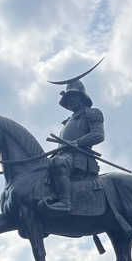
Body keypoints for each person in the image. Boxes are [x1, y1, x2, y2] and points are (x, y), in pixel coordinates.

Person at [43, 78, 105, 213]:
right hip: (64, 155)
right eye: (68, 100)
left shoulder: (92, 113)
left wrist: (76, 143)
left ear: (81, 97)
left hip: (79, 157)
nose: (70, 102)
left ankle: (65, 201)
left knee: (58, 163)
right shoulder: (67, 121)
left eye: (72, 98)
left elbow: (98, 135)